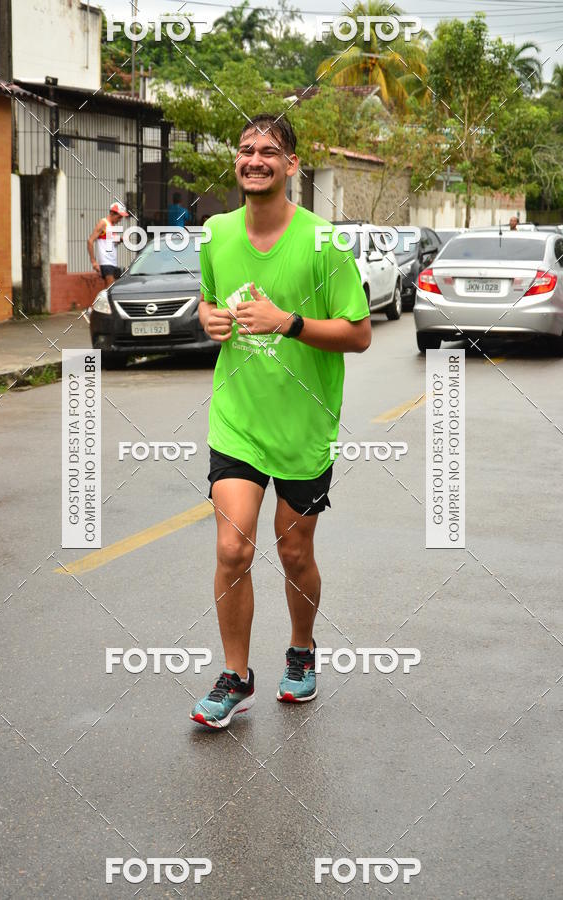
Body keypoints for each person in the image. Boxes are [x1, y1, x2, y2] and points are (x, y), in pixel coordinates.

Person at [191, 114, 371, 729]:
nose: (255, 159)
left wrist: (287, 323)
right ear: (236, 161)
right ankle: (235, 675)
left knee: (294, 552)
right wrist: (209, 319)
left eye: (269, 151)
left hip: (304, 427)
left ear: (291, 165)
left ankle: (301, 649)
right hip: (237, 419)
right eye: (246, 149)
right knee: (231, 547)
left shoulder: (324, 242)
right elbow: (207, 301)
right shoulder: (216, 233)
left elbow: (359, 334)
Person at [87, 201, 129, 287]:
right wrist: (93, 261)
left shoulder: (111, 226)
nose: (120, 220)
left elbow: (107, 240)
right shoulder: (103, 223)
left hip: (112, 262)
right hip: (106, 262)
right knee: (110, 289)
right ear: (112, 213)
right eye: (119, 217)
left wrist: (120, 239)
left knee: (110, 289)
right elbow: (90, 241)